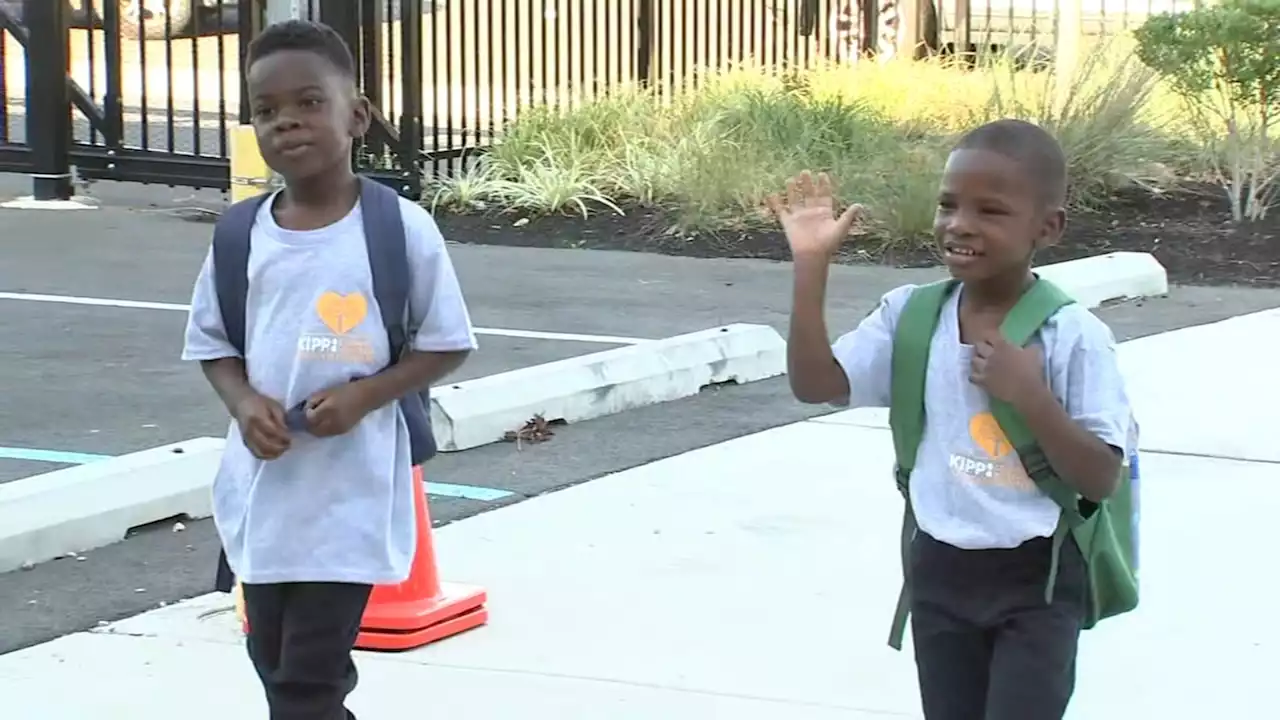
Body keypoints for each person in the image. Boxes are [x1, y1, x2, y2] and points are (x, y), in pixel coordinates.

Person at [772, 119, 1134, 720]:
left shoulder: (1072, 336)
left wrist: (1031, 396)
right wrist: (811, 266)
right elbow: (815, 386)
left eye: (991, 210)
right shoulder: (910, 316)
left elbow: (1100, 478)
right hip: (939, 568)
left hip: (1037, 576)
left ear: (1048, 227)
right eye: (948, 205)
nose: (959, 224)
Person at [180, 19, 477, 720]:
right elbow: (213, 343)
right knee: (276, 664)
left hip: (350, 497)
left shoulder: (398, 228)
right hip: (263, 496)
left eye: (309, 102)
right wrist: (242, 402)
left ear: (358, 115)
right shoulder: (238, 236)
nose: (287, 121)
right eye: (266, 110)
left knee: (308, 682)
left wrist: (368, 395)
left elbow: (447, 341)